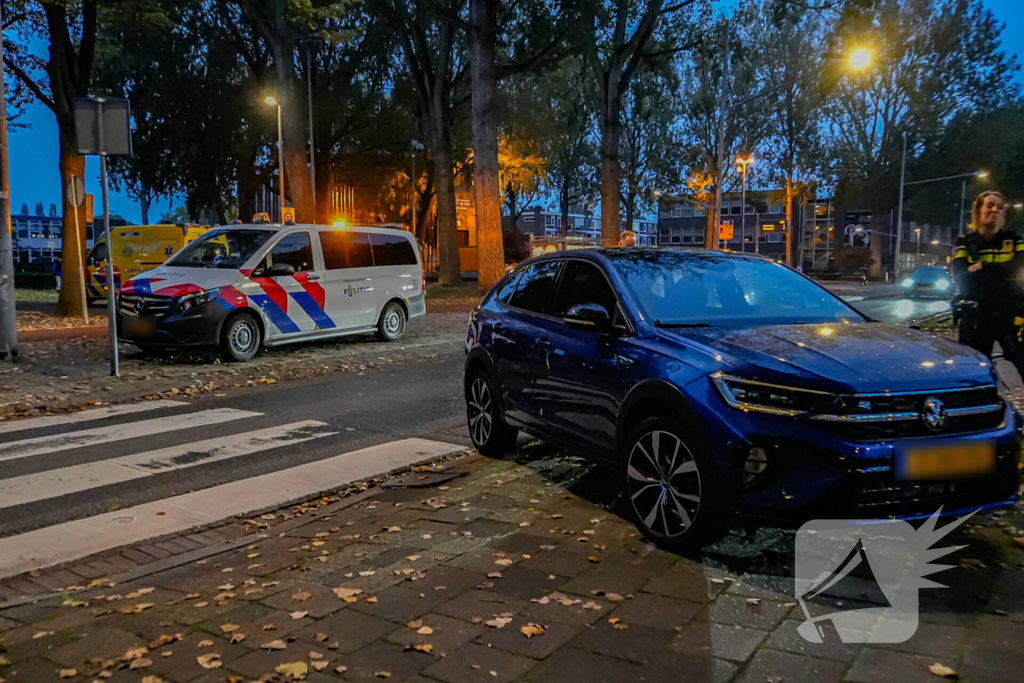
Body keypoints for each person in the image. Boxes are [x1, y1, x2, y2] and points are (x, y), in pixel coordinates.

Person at [951, 190, 1024, 378]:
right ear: (978, 211)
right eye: (989, 205)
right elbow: (961, 278)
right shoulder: (965, 243)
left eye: (1000, 207)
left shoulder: (1015, 240)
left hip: (1011, 314)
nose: (995, 210)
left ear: (1004, 215)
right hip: (976, 316)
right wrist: (1004, 272)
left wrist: (982, 266)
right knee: (973, 372)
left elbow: (1019, 268)